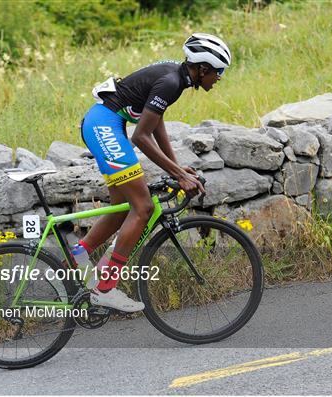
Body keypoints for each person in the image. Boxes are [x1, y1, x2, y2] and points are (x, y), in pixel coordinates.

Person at [78, 33, 231, 312]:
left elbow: (154, 120)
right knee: (143, 207)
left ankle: (78, 256)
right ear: (204, 69)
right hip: (105, 126)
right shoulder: (172, 81)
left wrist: (175, 168)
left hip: (105, 124)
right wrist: (179, 175)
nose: (219, 78)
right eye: (218, 72)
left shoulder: (178, 76)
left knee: (124, 208)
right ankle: (104, 288)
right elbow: (141, 137)